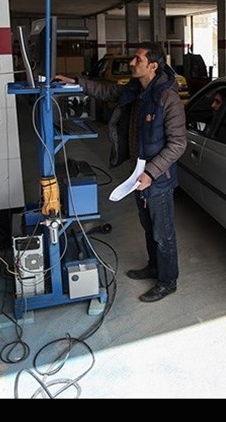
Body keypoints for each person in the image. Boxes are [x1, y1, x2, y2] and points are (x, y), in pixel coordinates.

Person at [55, 42, 187, 303]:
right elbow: (108, 90)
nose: (132, 63)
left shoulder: (167, 98)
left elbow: (178, 144)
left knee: (163, 233)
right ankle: (153, 266)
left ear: (153, 65)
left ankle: (167, 281)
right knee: (149, 228)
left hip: (157, 179)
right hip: (137, 174)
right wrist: (78, 82)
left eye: (137, 60)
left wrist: (150, 173)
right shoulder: (137, 89)